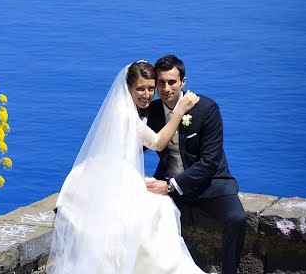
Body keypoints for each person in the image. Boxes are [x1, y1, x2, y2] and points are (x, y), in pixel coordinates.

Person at [47, 61, 206, 274]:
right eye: (140, 89)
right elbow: (158, 143)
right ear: (128, 88)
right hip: (109, 179)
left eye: (151, 89)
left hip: (114, 172)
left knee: (160, 206)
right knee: (157, 209)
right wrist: (179, 111)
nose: (147, 94)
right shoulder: (124, 114)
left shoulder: (127, 108)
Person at [146, 55, 247, 274]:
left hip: (211, 185)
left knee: (237, 219)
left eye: (172, 82)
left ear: (183, 82)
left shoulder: (207, 109)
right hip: (170, 187)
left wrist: (170, 186)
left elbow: (209, 162)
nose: (165, 88)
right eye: (160, 82)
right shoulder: (152, 112)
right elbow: (137, 146)